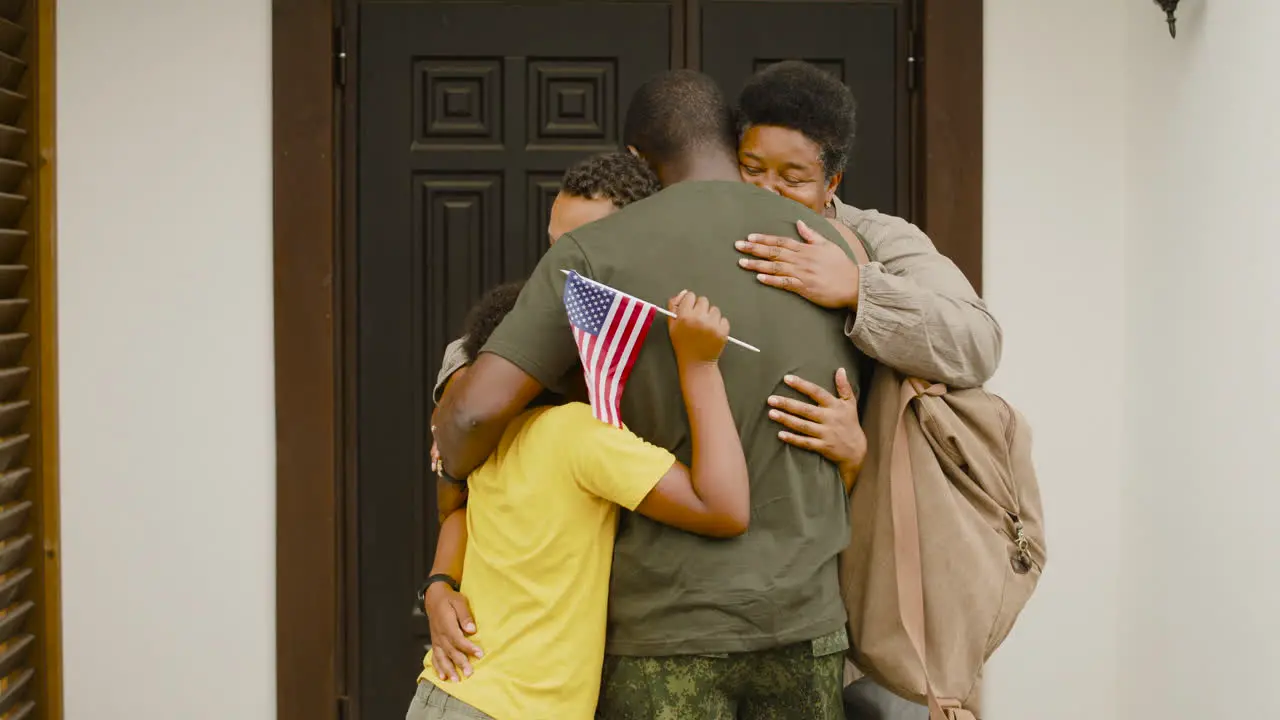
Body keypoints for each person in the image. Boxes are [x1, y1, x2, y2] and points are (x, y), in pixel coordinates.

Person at [434, 70, 862, 719]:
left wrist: (455, 486)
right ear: (731, 142)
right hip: (808, 621)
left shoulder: (596, 251)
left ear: (639, 156)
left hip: (665, 628)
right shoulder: (828, 247)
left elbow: (472, 410)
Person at [409, 283, 835, 719]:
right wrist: (699, 364)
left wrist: (438, 582)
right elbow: (723, 508)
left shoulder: (495, 435)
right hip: (503, 707)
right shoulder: (575, 433)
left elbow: (459, 510)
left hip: (455, 693)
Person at [734, 60, 1002, 389]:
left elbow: (978, 345)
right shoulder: (709, 222)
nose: (766, 190)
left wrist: (857, 288)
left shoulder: (882, 238)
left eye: (792, 178)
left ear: (831, 183)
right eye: (751, 168)